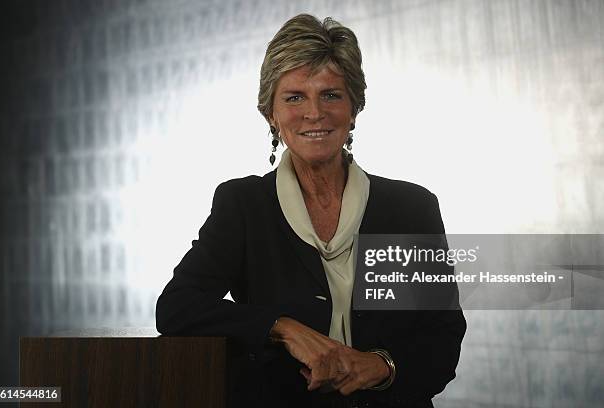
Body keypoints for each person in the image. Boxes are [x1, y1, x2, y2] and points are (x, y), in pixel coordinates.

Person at [156, 14, 466, 408]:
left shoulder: (411, 208)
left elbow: (442, 338)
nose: (314, 113)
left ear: (354, 108)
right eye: (295, 97)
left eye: (331, 94)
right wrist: (281, 328)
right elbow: (177, 307)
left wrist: (382, 365)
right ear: (271, 114)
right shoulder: (244, 205)